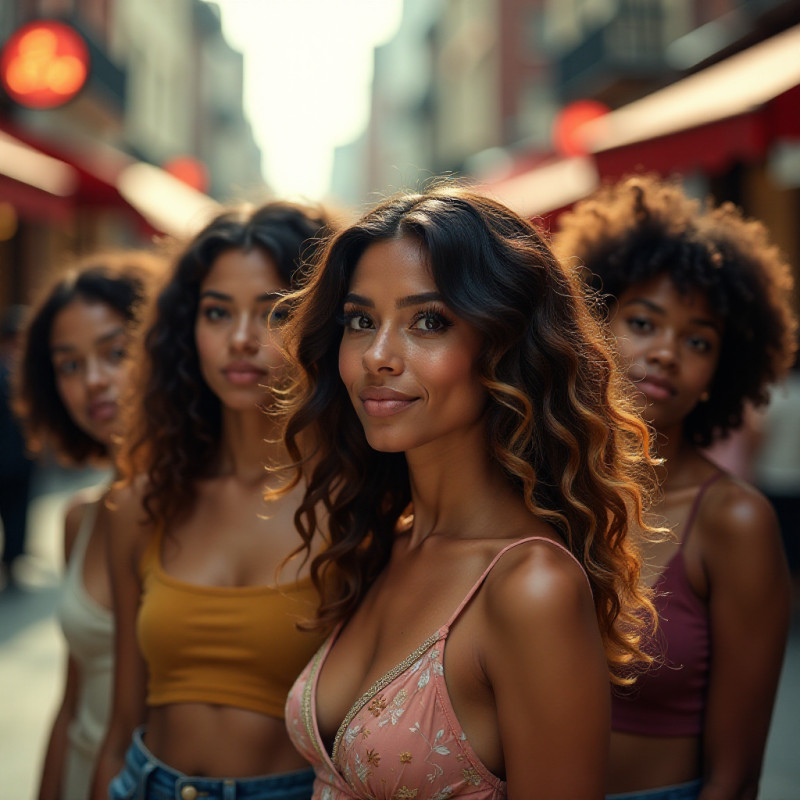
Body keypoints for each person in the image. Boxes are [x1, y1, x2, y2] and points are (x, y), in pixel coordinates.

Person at [276, 185, 659, 800]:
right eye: (361, 321)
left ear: (504, 348)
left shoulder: (531, 586)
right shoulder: (386, 543)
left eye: (429, 322)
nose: (377, 355)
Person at [554, 174, 798, 800]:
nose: (665, 352)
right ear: (591, 325)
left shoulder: (734, 522)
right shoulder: (544, 487)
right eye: (643, 321)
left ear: (723, 369)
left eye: (697, 340)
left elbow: (735, 777)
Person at [91, 202, 337, 800]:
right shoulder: (142, 505)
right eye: (217, 312)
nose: (242, 340)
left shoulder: (358, 507)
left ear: (322, 324)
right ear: (187, 330)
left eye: (274, 312)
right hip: (145, 783)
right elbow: (122, 721)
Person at [13, 254, 159, 800]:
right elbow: (72, 700)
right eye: (69, 365)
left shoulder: (200, 509)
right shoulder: (80, 517)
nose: (93, 381)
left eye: (115, 353)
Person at [0, 303, 36, 588]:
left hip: (18, 457)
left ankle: (12, 558)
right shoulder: (20, 375)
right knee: (16, 511)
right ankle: (12, 559)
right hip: (19, 456)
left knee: (15, 511)